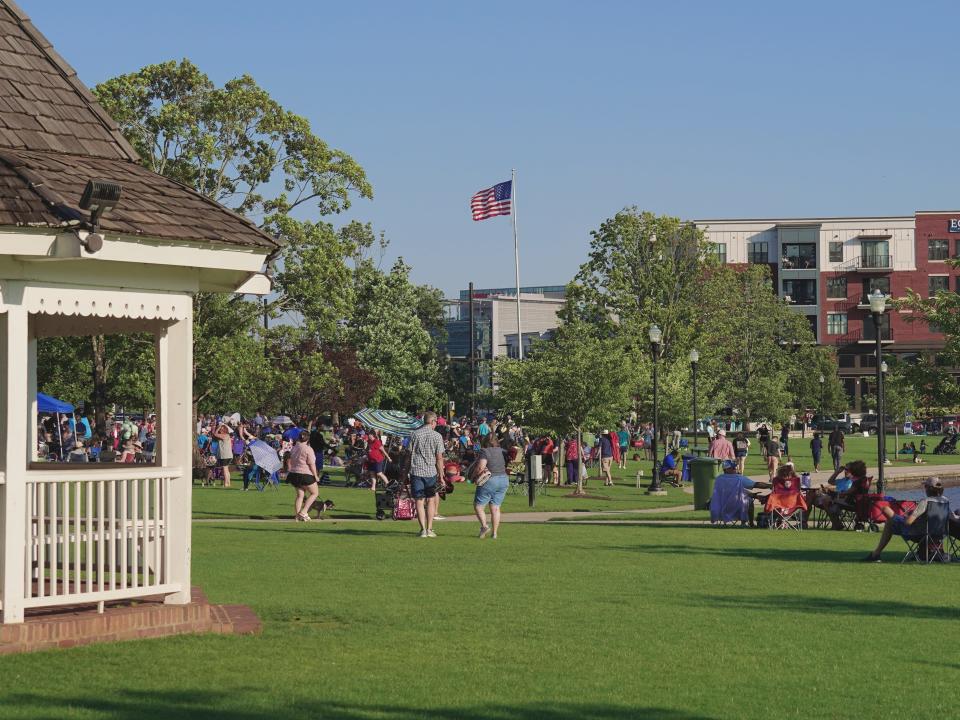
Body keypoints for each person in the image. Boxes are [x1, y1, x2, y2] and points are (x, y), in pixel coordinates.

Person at [863, 477, 950, 562]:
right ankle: (876, 554)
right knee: (891, 517)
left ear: (929, 488)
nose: (925, 489)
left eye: (925, 487)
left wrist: (907, 517)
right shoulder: (945, 501)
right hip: (939, 535)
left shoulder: (925, 501)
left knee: (887, 514)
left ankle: (876, 554)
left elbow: (908, 522)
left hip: (918, 534)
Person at [408, 411, 445, 538]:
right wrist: (441, 475)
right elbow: (439, 458)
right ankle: (429, 528)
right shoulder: (437, 436)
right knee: (430, 500)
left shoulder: (414, 434)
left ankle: (422, 529)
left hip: (416, 470)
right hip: (431, 472)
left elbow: (408, 455)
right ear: (433, 422)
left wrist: (404, 473)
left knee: (419, 500)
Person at [710, 459, 771, 526]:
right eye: (733, 468)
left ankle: (745, 522)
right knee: (749, 502)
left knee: (746, 499)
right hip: (737, 506)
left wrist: (753, 495)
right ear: (726, 469)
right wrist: (770, 485)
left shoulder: (719, 479)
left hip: (721, 507)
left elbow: (734, 491)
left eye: (735, 467)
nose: (735, 469)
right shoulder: (738, 478)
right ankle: (749, 523)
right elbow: (756, 484)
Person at [471, 434, 509, 539]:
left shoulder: (485, 451)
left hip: (490, 480)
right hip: (503, 479)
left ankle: (484, 526)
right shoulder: (501, 450)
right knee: (495, 508)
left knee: (478, 506)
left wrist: (473, 476)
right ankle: (494, 534)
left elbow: (481, 467)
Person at [286, 430, 319, 521]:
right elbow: (312, 464)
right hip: (305, 474)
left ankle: (297, 516)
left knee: (300, 495)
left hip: (294, 474)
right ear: (308, 439)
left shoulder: (294, 447)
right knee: (314, 493)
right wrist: (315, 475)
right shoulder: (308, 449)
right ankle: (303, 512)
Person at [212, 423, 233, 487]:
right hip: (228, 455)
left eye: (221, 429)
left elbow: (215, 434)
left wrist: (218, 427)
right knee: (226, 469)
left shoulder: (225, 435)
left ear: (225, 430)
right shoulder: (226, 435)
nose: (220, 430)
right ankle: (228, 483)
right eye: (220, 429)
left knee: (225, 469)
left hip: (225, 455)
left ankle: (226, 484)